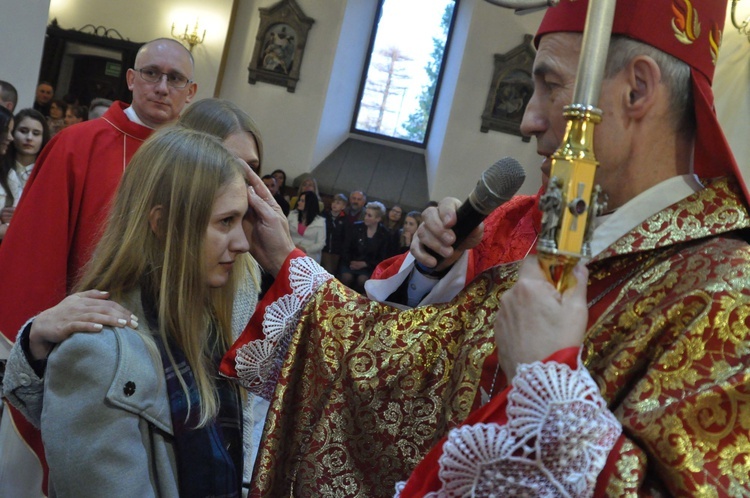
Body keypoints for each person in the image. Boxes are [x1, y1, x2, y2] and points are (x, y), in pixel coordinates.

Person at [214, 0, 749, 495]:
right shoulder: (551, 243)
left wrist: (550, 388)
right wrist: (287, 260)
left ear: (637, 89)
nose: (528, 120)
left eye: (551, 86)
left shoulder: (726, 295)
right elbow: (407, 377)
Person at [0, 37, 197, 497]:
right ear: (131, 80)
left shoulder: (194, 164)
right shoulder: (77, 144)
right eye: (151, 73)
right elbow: (34, 251)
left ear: (191, 92)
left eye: (175, 79)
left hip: (160, 357)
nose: (161, 86)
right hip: (81, 348)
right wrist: (37, 343)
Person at [40, 126, 252, 496]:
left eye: (241, 221)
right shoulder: (96, 355)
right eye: (225, 222)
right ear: (163, 224)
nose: (243, 242)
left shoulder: (207, 326)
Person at [0, 109, 50, 241]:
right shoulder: (1, 167)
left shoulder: (48, 174)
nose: (29, 138)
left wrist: (22, 217)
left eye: (36, 133)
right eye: (23, 131)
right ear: (12, 133)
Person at [338, 200, 391, 293]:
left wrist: (365, 264)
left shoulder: (384, 234)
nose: (365, 217)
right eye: (365, 214)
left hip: (369, 266)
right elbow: (345, 248)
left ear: (378, 219)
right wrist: (351, 262)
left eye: (369, 215)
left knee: (363, 280)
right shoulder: (355, 227)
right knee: (346, 277)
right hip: (350, 262)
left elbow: (383, 257)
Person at [287, 190, 326, 263]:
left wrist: (305, 249)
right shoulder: (292, 215)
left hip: (309, 256)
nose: (299, 202)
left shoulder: (320, 221)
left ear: (309, 203)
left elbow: (321, 243)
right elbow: (285, 232)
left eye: (302, 201)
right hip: (290, 250)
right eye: (299, 200)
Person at [321, 192, 348, 276]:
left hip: (336, 250)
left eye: (338, 203)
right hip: (324, 247)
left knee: (333, 270)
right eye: (334, 202)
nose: (334, 204)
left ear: (343, 207)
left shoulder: (345, 220)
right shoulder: (324, 215)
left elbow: (345, 236)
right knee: (328, 270)